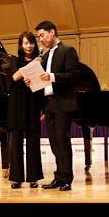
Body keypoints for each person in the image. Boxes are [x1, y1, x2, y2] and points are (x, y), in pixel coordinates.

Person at [30, 20, 79, 191]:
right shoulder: (44, 55)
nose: (40, 39)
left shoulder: (68, 50)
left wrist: (52, 76)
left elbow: (73, 76)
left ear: (52, 32)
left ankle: (67, 178)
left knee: (61, 140)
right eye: (38, 37)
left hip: (63, 102)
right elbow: (42, 80)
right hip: (49, 104)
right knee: (53, 142)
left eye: (42, 35)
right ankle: (58, 177)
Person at [7, 31, 45, 189]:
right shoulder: (15, 60)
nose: (29, 46)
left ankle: (33, 178)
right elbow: (15, 77)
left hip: (33, 104)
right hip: (17, 105)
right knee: (15, 142)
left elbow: (42, 85)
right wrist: (32, 65)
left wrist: (43, 108)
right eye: (25, 43)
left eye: (31, 43)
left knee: (33, 142)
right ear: (21, 45)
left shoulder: (40, 62)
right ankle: (16, 178)